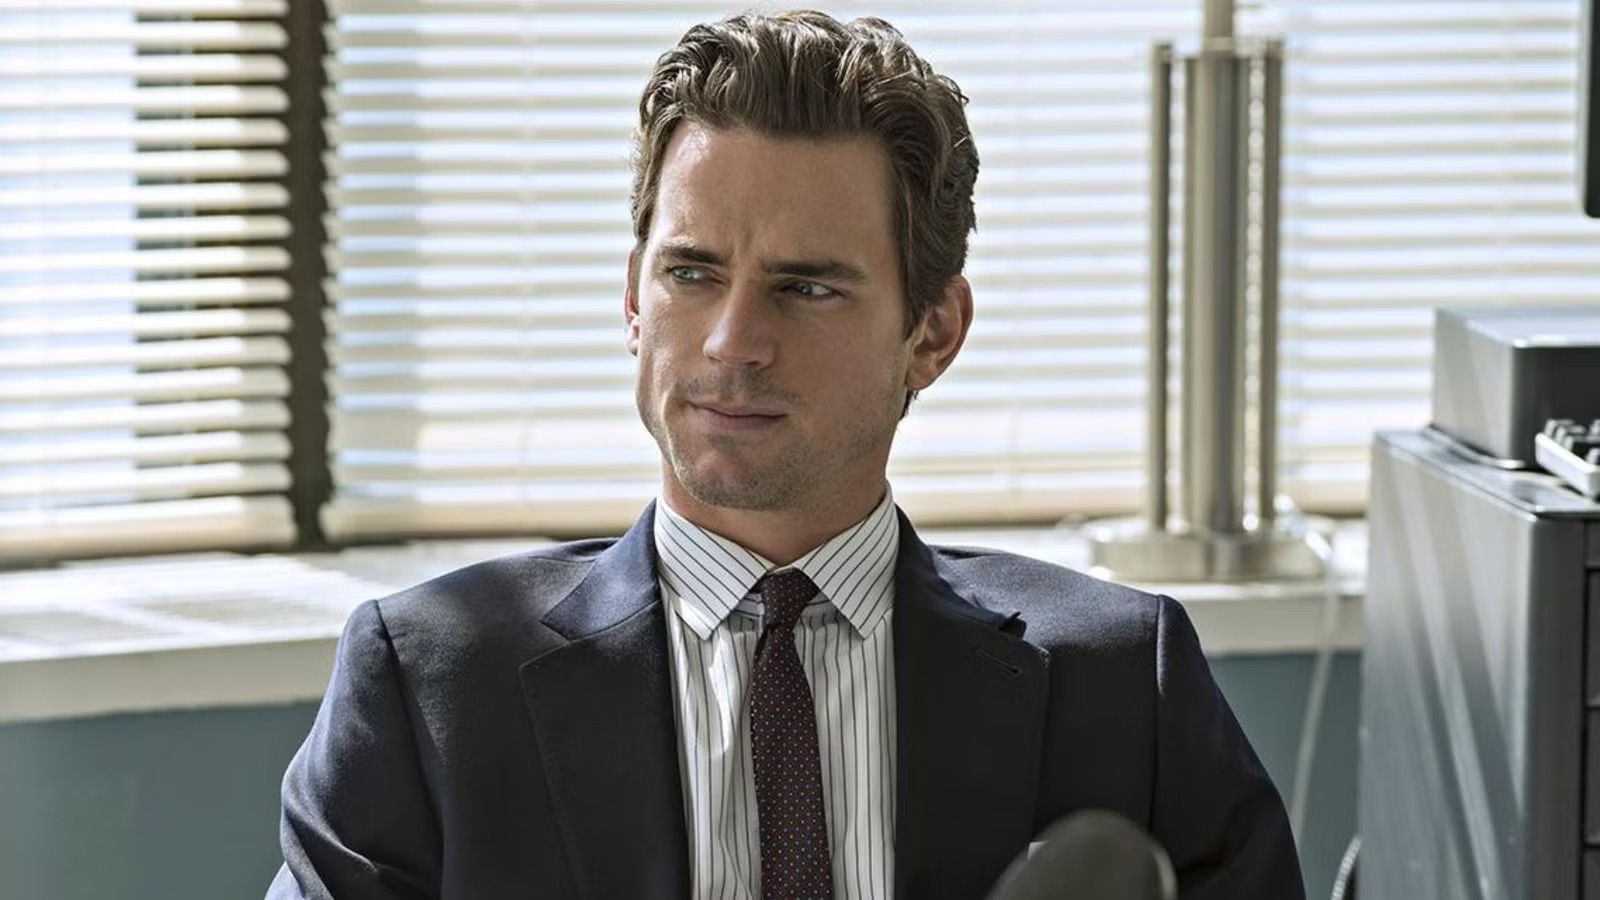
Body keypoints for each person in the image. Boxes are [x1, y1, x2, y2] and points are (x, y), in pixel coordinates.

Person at [267, 10, 1304, 900]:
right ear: (633, 299)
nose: (731, 343)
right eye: (690, 274)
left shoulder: (1124, 687)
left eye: (805, 288)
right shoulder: (428, 687)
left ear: (932, 333)